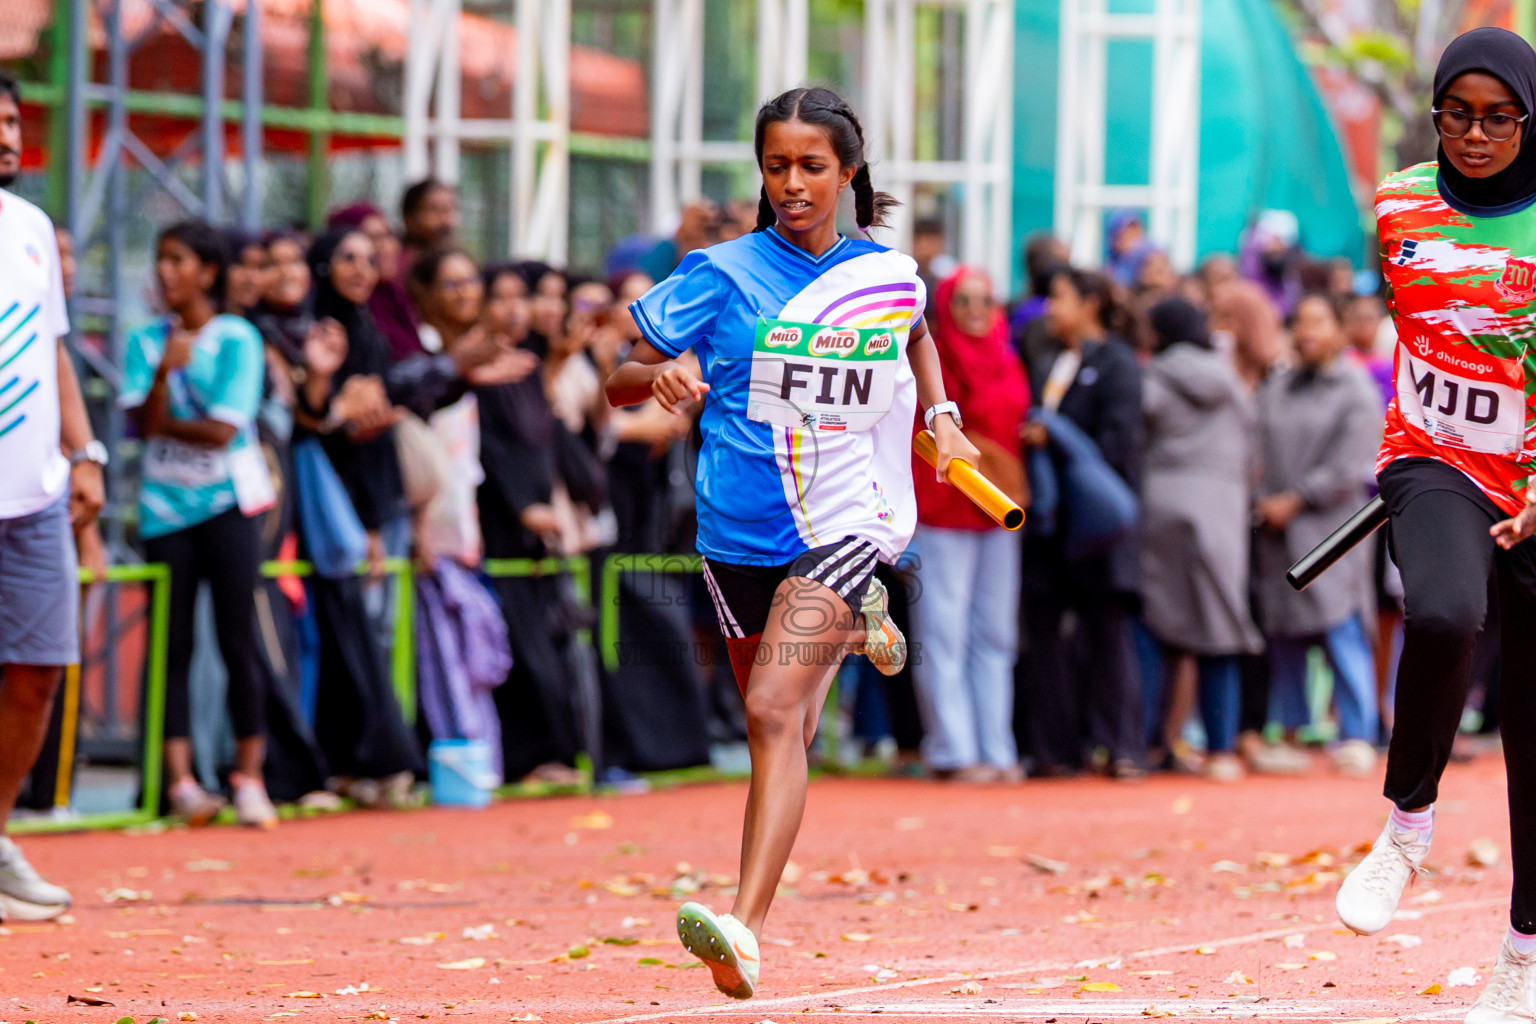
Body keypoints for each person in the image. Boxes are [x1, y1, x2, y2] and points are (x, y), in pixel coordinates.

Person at [605, 86, 978, 1000]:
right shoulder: (719, 271)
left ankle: (745, 927)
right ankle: (859, 625)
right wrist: (653, 381)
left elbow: (919, 335)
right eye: (778, 167)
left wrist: (942, 417)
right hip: (736, 529)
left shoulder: (886, 274)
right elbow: (616, 376)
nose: (794, 184)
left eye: (813, 166)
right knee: (792, 726)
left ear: (848, 172)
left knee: (774, 709)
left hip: (843, 520)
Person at [1331, 30, 1536, 1024]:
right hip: (1435, 457)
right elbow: (1413, 317)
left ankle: (1521, 957)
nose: (1476, 133)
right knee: (1446, 614)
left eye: (1500, 116)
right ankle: (1406, 824)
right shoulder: (1400, 201)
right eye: (1458, 112)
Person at [119, 220, 278, 828]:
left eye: (178, 259)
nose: (165, 271)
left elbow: (221, 429)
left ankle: (249, 778)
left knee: (239, 641)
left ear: (208, 273)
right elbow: (142, 424)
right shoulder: (144, 342)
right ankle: (181, 783)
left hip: (228, 508)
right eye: (160, 259)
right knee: (172, 646)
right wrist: (163, 373)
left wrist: (161, 415)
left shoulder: (238, 338)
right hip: (164, 512)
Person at [0, 69, 105, 919]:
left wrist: (87, 452)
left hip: (34, 499)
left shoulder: (32, 228)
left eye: (12, 121)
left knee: (38, 672)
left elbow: (55, 352)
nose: (7, 136)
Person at [1020, 267, 1144, 779]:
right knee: (1046, 631)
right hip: (1051, 525)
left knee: (1107, 635)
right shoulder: (1049, 360)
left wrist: (1058, 440)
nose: (1051, 309)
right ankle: (1055, 749)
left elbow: (1119, 442)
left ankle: (1121, 747)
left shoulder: (1116, 361)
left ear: (1091, 303)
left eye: (1061, 298)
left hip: (1097, 525)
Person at [907, 266, 1028, 782]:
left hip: (997, 512)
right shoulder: (934, 362)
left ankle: (996, 748)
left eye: (986, 299)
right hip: (943, 510)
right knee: (942, 631)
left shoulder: (1007, 358)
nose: (977, 310)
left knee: (995, 634)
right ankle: (953, 748)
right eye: (965, 301)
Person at [1253, 292, 1382, 775]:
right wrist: (1265, 498)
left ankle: (1356, 734)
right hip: (1277, 529)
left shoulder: (1354, 388)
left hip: (1332, 530)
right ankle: (1287, 732)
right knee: (1285, 633)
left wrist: (1298, 498)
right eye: (1300, 322)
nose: (1307, 331)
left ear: (1338, 329)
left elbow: (1353, 463)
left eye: (1318, 322)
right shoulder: (1279, 386)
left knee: (1341, 626)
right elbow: (1254, 443)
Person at [1139, 296, 1262, 782]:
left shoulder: (1152, 375)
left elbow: (1139, 430)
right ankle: (1221, 748)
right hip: (1221, 509)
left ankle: (1148, 743)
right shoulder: (1229, 380)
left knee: (1158, 626)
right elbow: (1252, 443)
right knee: (1219, 628)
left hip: (1162, 501)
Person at [400, 178, 460, 270]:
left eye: (451, 210)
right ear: (408, 218)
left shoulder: (460, 265)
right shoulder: (396, 268)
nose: (447, 221)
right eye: (435, 210)